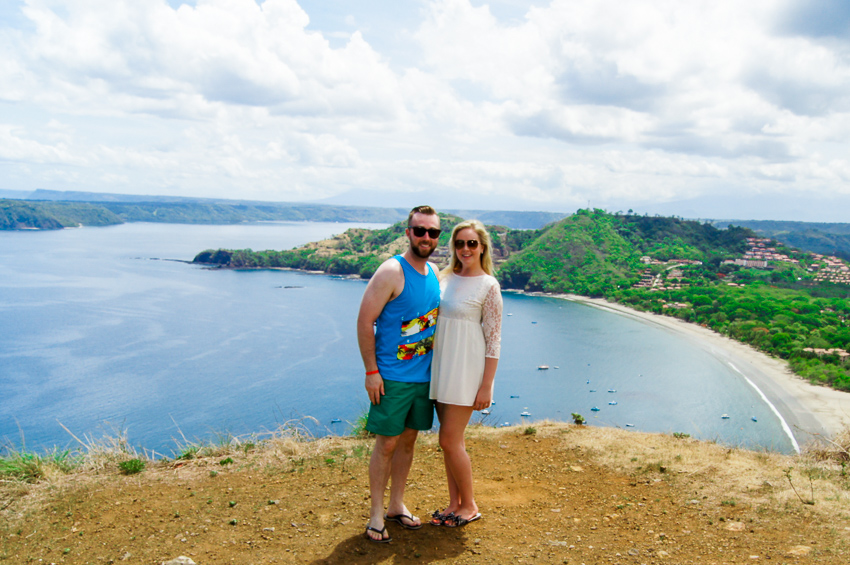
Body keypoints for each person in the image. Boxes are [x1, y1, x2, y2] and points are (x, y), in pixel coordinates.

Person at [356, 205, 442, 543]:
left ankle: (396, 505)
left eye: (432, 232)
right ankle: (376, 514)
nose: (425, 237)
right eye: (419, 230)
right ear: (408, 232)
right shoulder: (391, 271)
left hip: (422, 378)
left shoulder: (433, 272)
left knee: (408, 441)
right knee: (387, 443)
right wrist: (371, 371)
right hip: (391, 377)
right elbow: (365, 321)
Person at [429, 219, 502, 528]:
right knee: (449, 441)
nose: (465, 249)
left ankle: (469, 505)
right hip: (441, 367)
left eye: (472, 243)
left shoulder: (489, 285)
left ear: (482, 247)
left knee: (449, 439)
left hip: (466, 371)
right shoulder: (445, 277)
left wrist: (487, 386)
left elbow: (494, 339)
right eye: (459, 243)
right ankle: (453, 503)